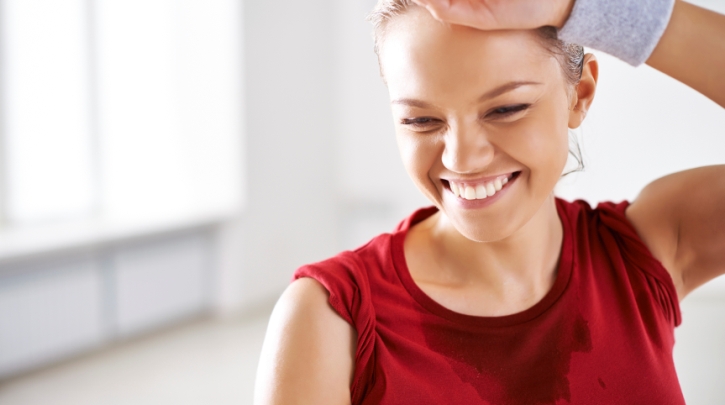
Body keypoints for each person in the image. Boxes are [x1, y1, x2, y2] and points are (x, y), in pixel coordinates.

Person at [255, 0, 725, 403]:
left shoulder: (650, 249)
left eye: (505, 109)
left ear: (579, 95)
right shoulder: (329, 318)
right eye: (421, 120)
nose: (462, 157)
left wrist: (581, 8)